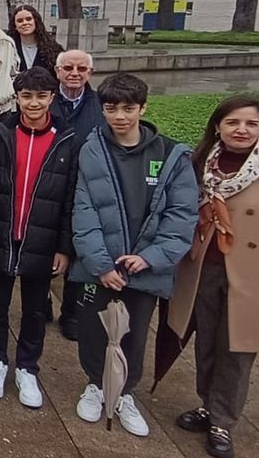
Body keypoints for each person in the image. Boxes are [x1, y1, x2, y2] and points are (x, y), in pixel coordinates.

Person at [167, 96, 259, 458]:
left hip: (254, 275)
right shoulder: (199, 165)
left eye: (251, 124)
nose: (242, 130)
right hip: (204, 267)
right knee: (205, 342)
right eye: (233, 123)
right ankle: (207, 403)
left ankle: (223, 420)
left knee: (236, 349)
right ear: (218, 126)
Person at [71, 73, 198, 438]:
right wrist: (99, 263)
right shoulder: (92, 149)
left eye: (128, 108)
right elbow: (84, 209)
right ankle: (95, 384)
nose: (120, 116)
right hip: (100, 264)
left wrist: (152, 257)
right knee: (94, 329)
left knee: (135, 331)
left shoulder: (171, 155)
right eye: (111, 109)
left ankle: (125, 391)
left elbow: (182, 214)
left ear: (143, 108)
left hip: (144, 266)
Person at [0, 67, 77, 408]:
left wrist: (64, 246)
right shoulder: (1, 135)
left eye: (41, 96)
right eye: (27, 96)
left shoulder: (66, 140)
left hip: (42, 238)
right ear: (17, 98)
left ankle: (28, 367)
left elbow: (69, 198)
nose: (34, 103)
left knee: (35, 309)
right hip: (1, 232)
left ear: (52, 98)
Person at [49, 48, 107, 340]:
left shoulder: (102, 106)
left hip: (85, 186)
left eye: (81, 69)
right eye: (68, 68)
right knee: (45, 244)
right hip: (50, 183)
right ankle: (43, 300)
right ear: (57, 71)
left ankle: (71, 311)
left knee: (78, 249)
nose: (74, 73)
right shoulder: (46, 100)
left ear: (90, 73)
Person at [8, 5, 63, 74]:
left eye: (28, 19)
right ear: (15, 25)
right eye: (20, 21)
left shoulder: (54, 49)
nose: (25, 23)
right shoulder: (9, 48)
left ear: (36, 21)